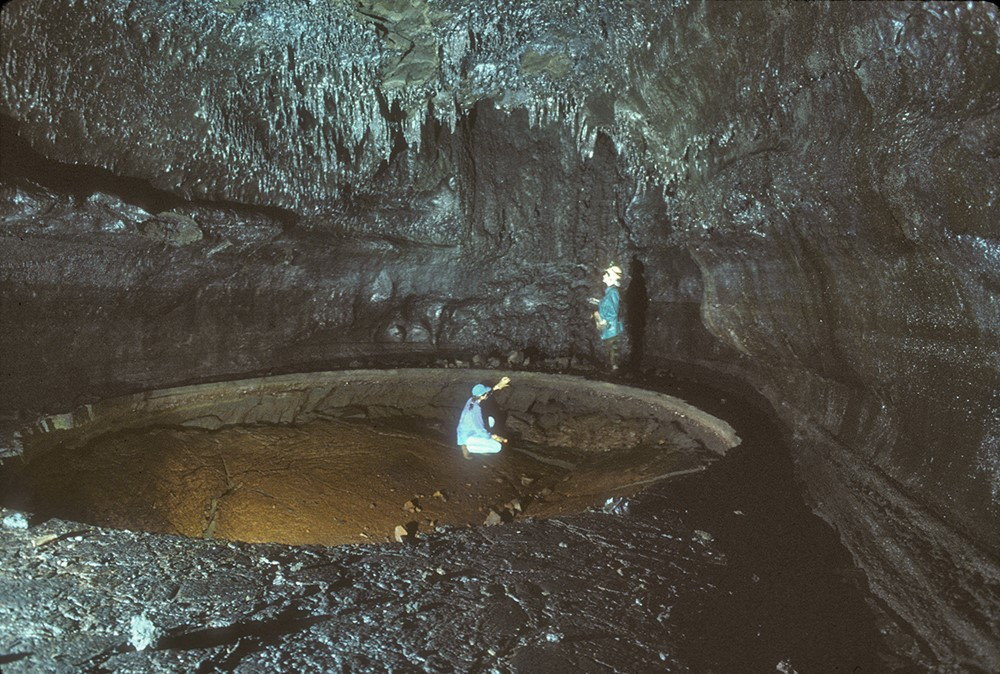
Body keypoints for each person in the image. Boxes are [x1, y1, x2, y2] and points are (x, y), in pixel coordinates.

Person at [456, 376, 511, 459]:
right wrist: (492, 436)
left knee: (490, 420)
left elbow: (485, 394)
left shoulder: (471, 400)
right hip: (469, 436)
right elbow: (479, 429)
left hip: (466, 431)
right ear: (482, 396)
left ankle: (478, 443)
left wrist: (497, 386)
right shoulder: (476, 411)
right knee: (497, 447)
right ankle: (470, 448)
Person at [589, 263, 624, 370]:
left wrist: (603, 321)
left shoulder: (612, 292)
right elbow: (609, 305)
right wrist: (599, 302)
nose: (603, 276)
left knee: (611, 351)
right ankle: (612, 369)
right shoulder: (610, 292)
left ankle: (614, 371)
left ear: (611, 278)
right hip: (610, 328)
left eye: (606, 274)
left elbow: (613, 311)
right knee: (611, 350)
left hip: (610, 328)